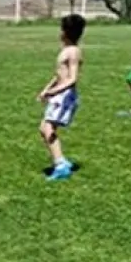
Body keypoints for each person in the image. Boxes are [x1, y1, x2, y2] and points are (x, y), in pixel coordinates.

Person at [35, 14, 86, 181]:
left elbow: (72, 78)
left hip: (64, 96)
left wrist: (54, 92)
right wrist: (47, 89)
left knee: (47, 129)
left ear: (65, 32)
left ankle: (61, 165)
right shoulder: (66, 51)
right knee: (45, 128)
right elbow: (59, 75)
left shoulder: (73, 52)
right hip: (58, 94)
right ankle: (61, 161)